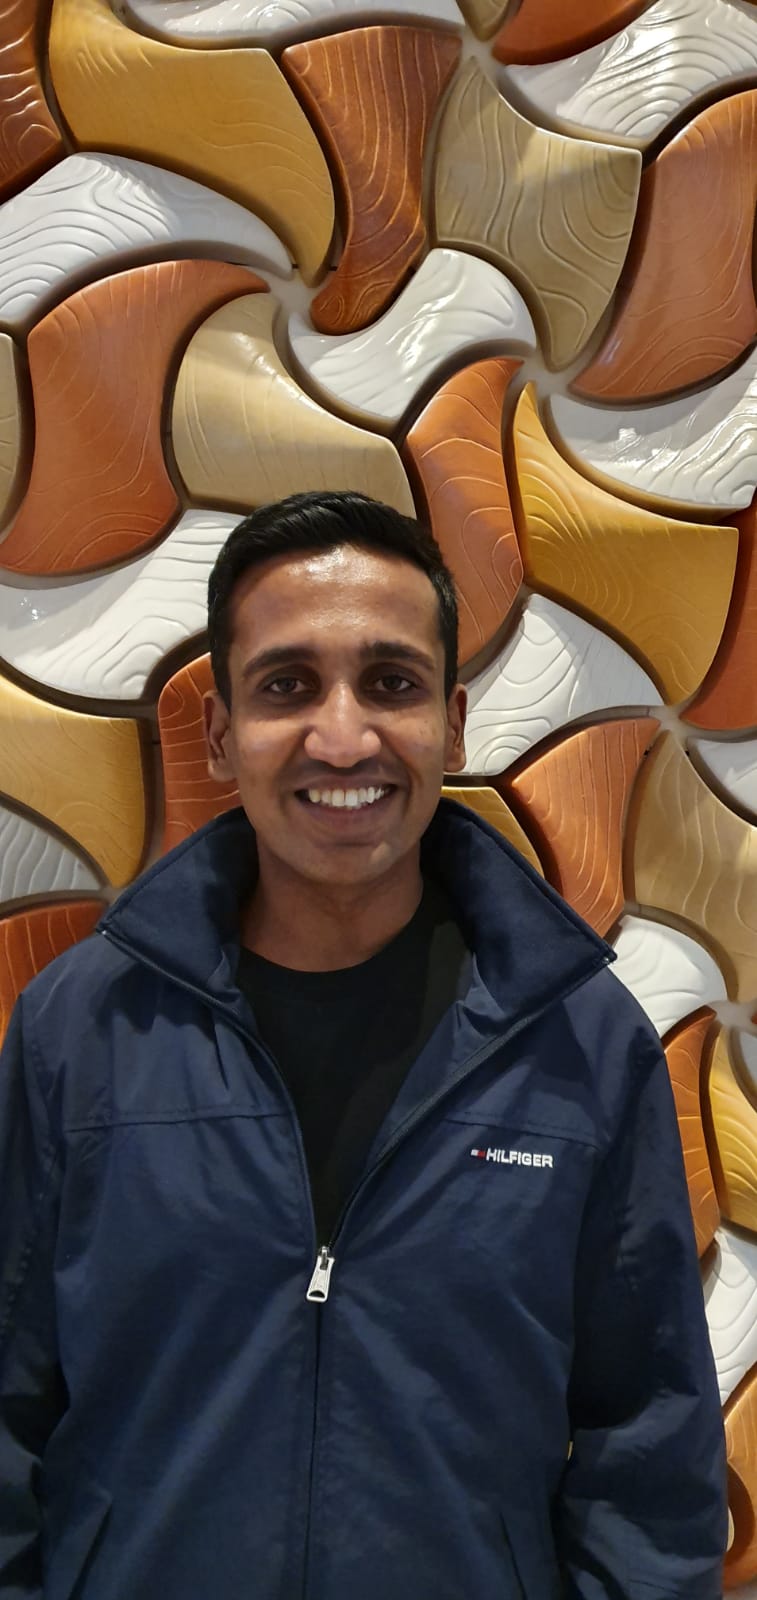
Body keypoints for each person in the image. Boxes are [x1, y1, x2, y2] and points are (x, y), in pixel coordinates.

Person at [0, 489, 726, 1599]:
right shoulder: (81, 1028)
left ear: (453, 723)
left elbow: (650, 1452)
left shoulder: (580, 1043)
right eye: (286, 685)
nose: (342, 737)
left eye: (390, 683)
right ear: (221, 734)